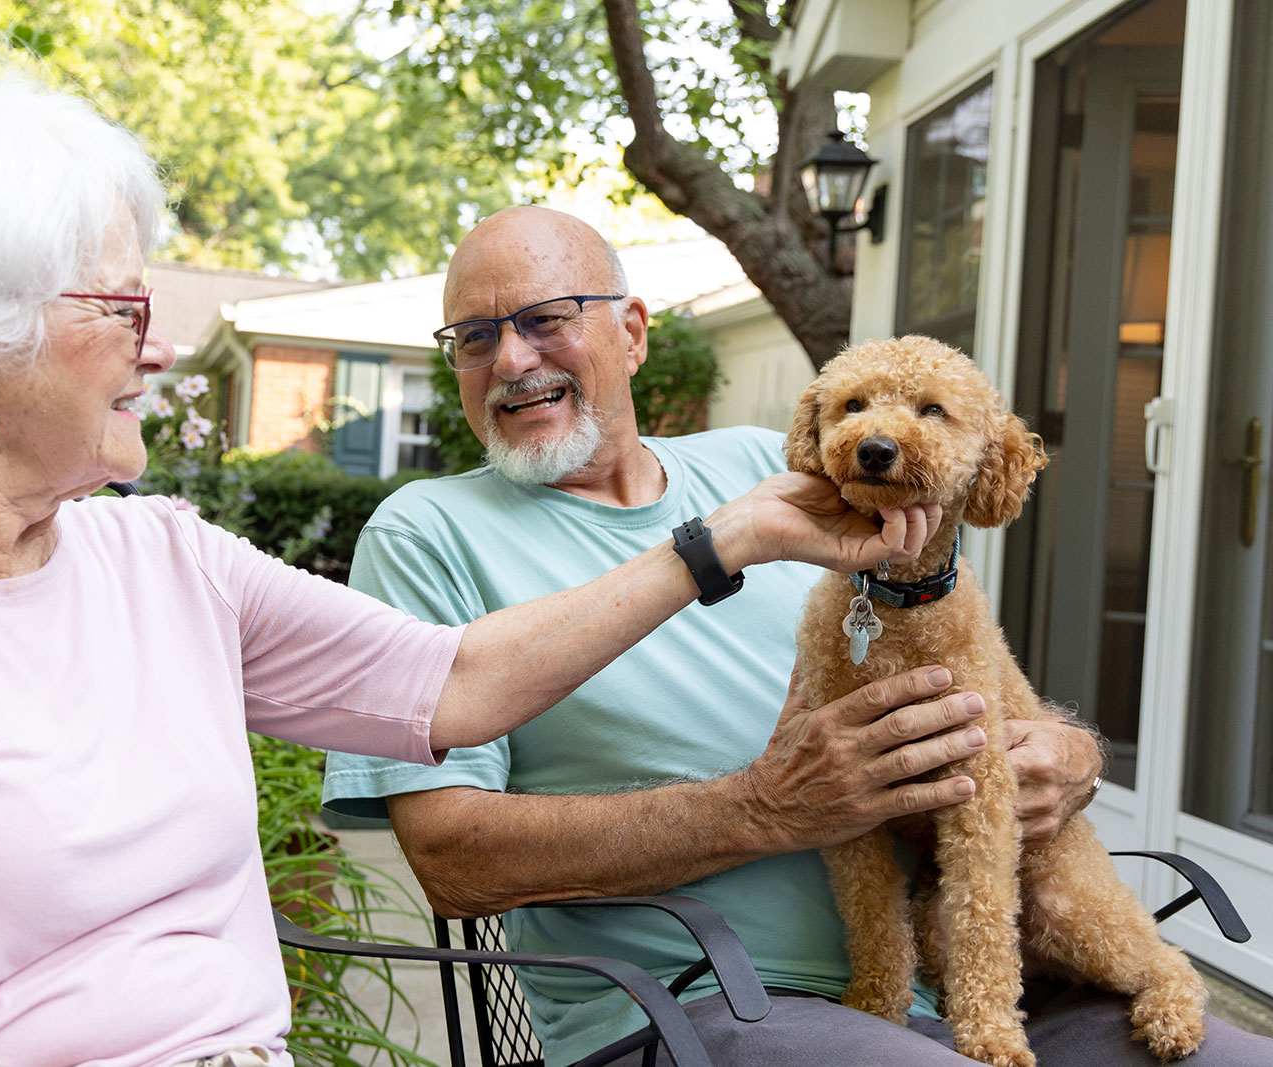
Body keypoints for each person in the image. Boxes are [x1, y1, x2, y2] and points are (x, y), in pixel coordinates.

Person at [0, 65, 951, 1067]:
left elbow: (449, 686)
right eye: (121, 307)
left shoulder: (153, 553)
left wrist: (721, 536)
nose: (160, 346)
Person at [322, 206, 1273, 1065]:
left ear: (633, 331)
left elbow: (965, 653)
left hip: (979, 968)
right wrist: (764, 808)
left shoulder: (765, 463)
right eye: (475, 337)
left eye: (545, 319)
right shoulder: (425, 534)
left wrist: (1070, 750)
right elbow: (452, 860)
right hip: (702, 1003)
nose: (513, 360)